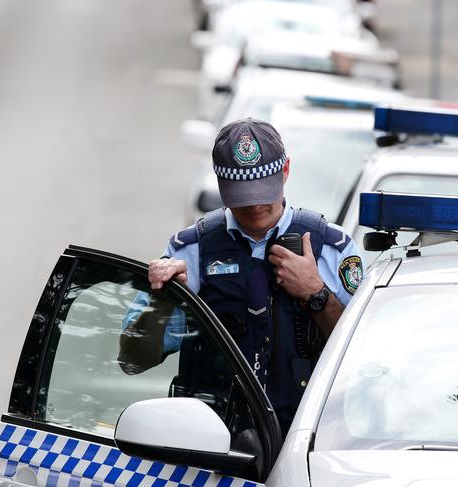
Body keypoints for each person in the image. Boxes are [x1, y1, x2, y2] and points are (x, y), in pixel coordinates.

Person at [124, 118, 363, 435]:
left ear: (286, 171)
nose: (254, 205)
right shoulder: (189, 251)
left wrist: (315, 293)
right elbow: (132, 359)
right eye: (242, 193)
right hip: (212, 444)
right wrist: (165, 301)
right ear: (220, 184)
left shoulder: (331, 248)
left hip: (307, 441)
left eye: (263, 189)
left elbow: (365, 361)